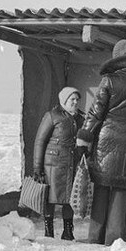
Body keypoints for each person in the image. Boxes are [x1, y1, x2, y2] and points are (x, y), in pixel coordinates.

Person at [76, 39, 126, 246]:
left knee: (101, 187)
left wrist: (84, 137)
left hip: (105, 138)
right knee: (120, 190)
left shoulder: (109, 80)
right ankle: (115, 238)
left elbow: (96, 113)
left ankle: (95, 236)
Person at [32, 86, 85, 240]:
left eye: (77, 100)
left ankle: (68, 230)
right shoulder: (52, 116)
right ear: (64, 101)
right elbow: (40, 141)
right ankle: (48, 229)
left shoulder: (81, 118)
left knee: (70, 197)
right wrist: (37, 167)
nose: (75, 102)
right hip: (53, 164)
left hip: (72, 163)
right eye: (72, 99)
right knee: (50, 197)